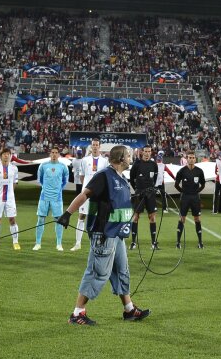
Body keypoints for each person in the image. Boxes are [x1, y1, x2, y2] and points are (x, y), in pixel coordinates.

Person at [57, 145, 150, 326]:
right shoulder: (104, 176)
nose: (131, 158)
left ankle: (129, 309)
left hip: (117, 234)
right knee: (97, 272)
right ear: (121, 158)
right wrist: (67, 213)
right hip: (104, 234)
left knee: (122, 272)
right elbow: (84, 194)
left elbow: (119, 203)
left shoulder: (122, 178)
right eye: (129, 155)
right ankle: (77, 313)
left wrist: (141, 196)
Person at [34, 147, 70, 251]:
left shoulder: (63, 167)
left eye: (56, 153)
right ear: (50, 154)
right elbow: (40, 179)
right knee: (40, 219)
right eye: (52, 152)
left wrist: (58, 190)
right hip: (44, 197)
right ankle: (38, 243)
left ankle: (59, 244)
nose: (54, 154)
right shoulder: (43, 166)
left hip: (57, 198)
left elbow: (65, 181)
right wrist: (46, 188)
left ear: (59, 154)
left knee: (58, 221)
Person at [73, 139, 105, 251]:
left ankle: (96, 243)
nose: (95, 147)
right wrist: (87, 188)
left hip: (99, 194)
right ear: (91, 147)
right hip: (86, 193)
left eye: (97, 145)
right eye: (93, 145)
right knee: (82, 216)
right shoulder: (84, 160)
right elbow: (82, 176)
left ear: (99, 147)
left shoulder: (104, 161)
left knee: (98, 218)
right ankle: (77, 243)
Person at [129, 146, 160, 250]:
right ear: (142, 152)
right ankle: (133, 242)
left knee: (152, 217)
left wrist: (150, 188)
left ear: (151, 153)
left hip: (150, 194)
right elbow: (132, 178)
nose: (147, 153)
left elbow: (154, 179)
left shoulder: (154, 165)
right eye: (145, 151)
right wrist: (138, 189)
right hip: (139, 193)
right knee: (136, 217)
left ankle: (153, 243)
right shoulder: (137, 164)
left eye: (149, 152)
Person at [0, 147, 21, 250]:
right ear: (1, 156)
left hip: (10, 198)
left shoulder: (14, 168)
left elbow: (15, 182)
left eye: (8, 154)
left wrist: (10, 193)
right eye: (4, 154)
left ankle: (15, 242)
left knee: (12, 219)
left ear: (10, 156)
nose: (6, 155)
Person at [173, 152, 206, 249]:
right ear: (186, 159)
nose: (191, 159)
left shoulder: (199, 171)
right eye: (189, 158)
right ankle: (178, 243)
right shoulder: (182, 171)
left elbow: (203, 184)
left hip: (195, 198)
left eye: (193, 158)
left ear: (195, 159)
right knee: (182, 219)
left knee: (197, 219)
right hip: (185, 198)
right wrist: (183, 192)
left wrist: (196, 192)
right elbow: (176, 184)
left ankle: (200, 242)